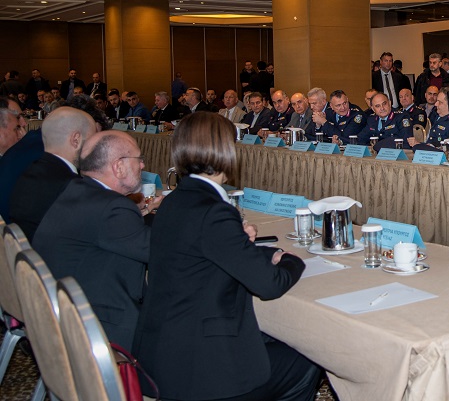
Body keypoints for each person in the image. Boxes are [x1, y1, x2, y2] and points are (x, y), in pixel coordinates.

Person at [133, 111, 320, 400]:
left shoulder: (174, 201)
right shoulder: (213, 211)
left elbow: (215, 254)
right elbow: (270, 285)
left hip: (163, 354)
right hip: (203, 370)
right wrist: (291, 260)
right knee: (308, 359)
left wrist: (258, 252)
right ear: (226, 151)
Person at [34, 130, 159, 349]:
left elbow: (119, 233)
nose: (142, 165)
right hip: (98, 327)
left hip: (62, 316)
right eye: (138, 159)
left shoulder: (78, 190)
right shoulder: (113, 207)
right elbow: (158, 250)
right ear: (118, 166)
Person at [9, 107, 97, 241]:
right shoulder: (72, 187)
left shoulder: (28, 174)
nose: (95, 148)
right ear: (76, 139)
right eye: (92, 140)